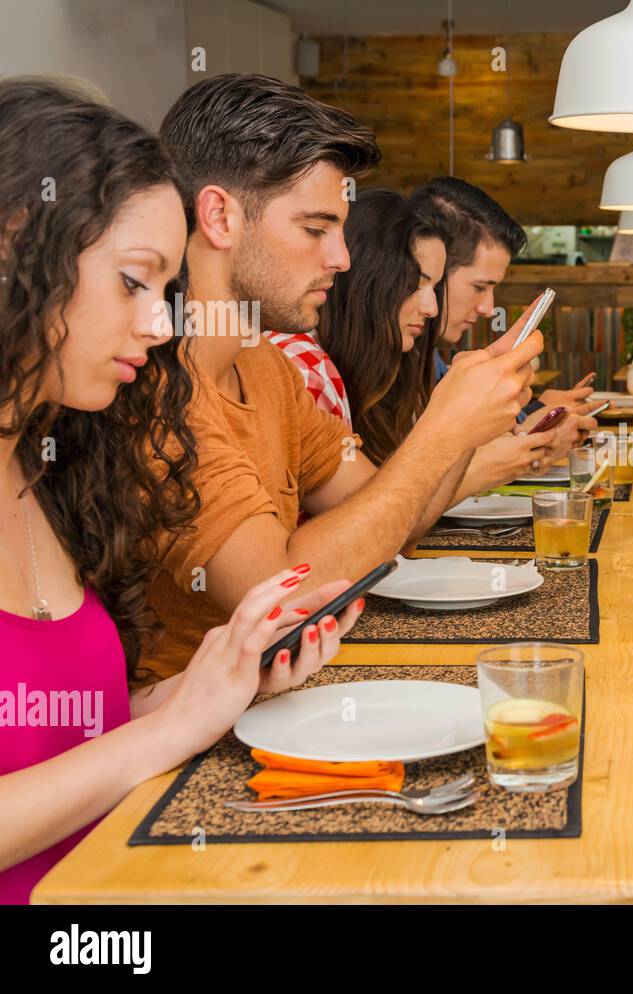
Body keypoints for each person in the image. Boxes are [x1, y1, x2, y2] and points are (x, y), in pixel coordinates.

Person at [0, 79, 359, 905]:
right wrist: (169, 728)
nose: (162, 327)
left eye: (165, 292)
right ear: (21, 247)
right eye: (134, 282)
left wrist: (217, 680)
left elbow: (55, 729)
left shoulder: (52, 470)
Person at [145, 73, 543, 680]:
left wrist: (464, 424)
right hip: (187, 753)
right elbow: (279, 594)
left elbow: (389, 523)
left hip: (293, 694)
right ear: (220, 216)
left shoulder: (266, 367)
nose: (343, 258)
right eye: (315, 228)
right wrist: (443, 428)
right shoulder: (160, 391)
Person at [268, 189, 558, 498]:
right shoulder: (304, 366)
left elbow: (381, 515)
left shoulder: (392, 361)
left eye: (433, 287)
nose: (432, 308)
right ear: (366, 280)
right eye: (415, 283)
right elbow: (371, 524)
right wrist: (464, 447)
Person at [411, 176, 600, 425]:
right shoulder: (389, 359)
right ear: (430, 266)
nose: (488, 309)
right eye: (479, 287)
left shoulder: (427, 355)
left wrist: (538, 410)